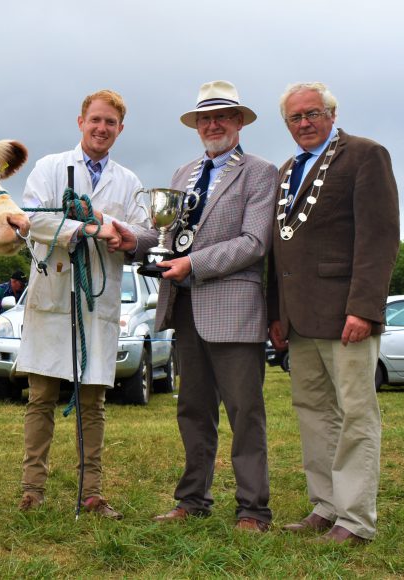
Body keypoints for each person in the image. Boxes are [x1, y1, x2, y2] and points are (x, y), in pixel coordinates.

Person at [112, 80, 277, 532]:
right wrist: (132, 238)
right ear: (196, 125)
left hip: (234, 311)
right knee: (192, 411)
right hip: (184, 310)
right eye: (205, 118)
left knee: (245, 413)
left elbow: (254, 243)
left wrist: (193, 264)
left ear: (240, 121)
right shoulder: (185, 173)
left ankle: (252, 509)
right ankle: (192, 499)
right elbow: (165, 235)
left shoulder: (262, 173)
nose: (213, 124)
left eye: (222, 116)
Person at [267, 82, 399, 545]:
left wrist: (364, 307)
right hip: (300, 320)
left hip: (347, 316)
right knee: (314, 413)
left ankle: (356, 519)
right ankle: (325, 506)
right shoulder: (286, 170)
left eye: (312, 114)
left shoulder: (366, 155)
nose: (304, 123)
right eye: (295, 118)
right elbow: (279, 250)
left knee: (356, 414)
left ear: (332, 114)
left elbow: (379, 239)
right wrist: (276, 313)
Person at [16, 89, 147, 518]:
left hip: (98, 302)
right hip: (53, 295)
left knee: (93, 403)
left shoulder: (129, 182)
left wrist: (114, 228)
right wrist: (89, 229)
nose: (101, 128)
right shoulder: (51, 168)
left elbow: (143, 232)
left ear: (120, 129)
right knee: (41, 398)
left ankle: (92, 493)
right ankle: (32, 489)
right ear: (80, 122)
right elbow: (32, 217)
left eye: (110, 122)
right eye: (95, 120)